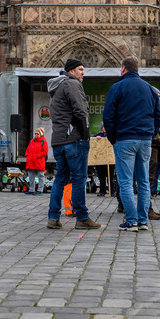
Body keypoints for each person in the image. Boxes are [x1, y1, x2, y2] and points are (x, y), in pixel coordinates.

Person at [103, 55, 160, 231]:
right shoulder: (150, 89)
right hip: (145, 140)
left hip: (125, 139)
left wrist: (113, 138)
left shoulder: (117, 88)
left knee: (126, 181)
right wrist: (150, 133)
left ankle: (131, 220)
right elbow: (158, 116)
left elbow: (108, 116)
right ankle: (143, 220)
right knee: (144, 181)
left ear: (123, 69)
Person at [46, 58, 99, 230]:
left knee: (60, 178)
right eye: (80, 69)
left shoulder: (56, 87)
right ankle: (82, 217)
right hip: (74, 140)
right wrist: (85, 135)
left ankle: (53, 217)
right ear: (71, 71)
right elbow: (81, 111)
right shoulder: (72, 84)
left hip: (59, 140)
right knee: (78, 179)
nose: (83, 72)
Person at [25, 127, 48, 194]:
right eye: (35, 133)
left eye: (37, 134)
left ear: (41, 134)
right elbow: (27, 149)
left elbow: (45, 152)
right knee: (31, 177)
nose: (36, 135)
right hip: (31, 162)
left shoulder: (43, 141)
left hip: (39, 162)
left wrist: (37, 156)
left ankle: (40, 190)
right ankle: (31, 190)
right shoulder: (32, 141)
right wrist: (27, 155)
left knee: (40, 176)